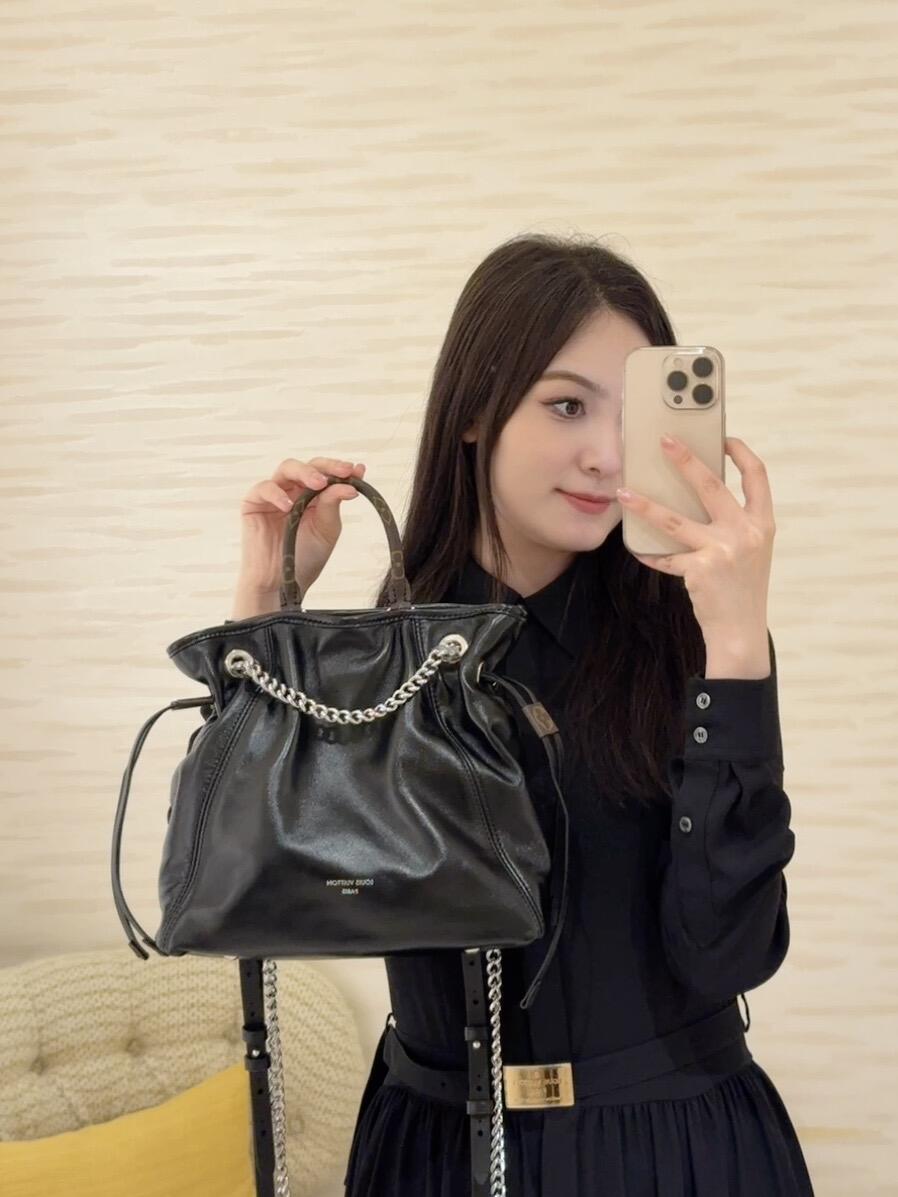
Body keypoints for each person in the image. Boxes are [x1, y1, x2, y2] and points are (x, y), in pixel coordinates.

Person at [231, 233, 816, 1196]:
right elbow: (267, 893)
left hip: (673, 1149)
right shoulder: (384, 652)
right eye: (567, 404)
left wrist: (740, 646)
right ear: (475, 411)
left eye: (631, 415)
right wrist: (267, 609)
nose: (605, 454)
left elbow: (730, 952)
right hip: (435, 1152)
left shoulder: (695, 641)